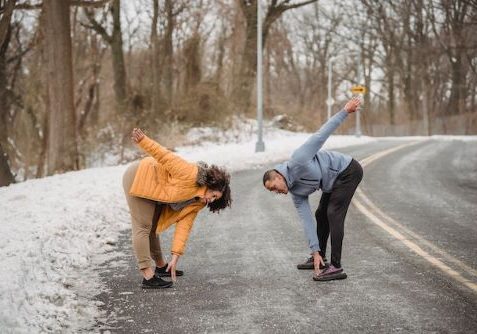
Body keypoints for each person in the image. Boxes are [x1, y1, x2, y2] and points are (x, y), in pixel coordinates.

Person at [263, 97, 363, 281]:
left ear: (278, 176)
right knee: (319, 214)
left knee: (333, 213)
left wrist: (345, 112)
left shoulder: (298, 159)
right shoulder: (296, 193)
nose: (275, 192)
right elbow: (307, 221)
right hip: (331, 182)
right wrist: (314, 250)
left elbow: (321, 134)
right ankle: (320, 257)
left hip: (347, 171)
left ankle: (336, 267)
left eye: (273, 187)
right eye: (272, 191)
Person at [123, 128, 232, 288]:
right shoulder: (191, 174)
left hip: (156, 191)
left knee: (153, 229)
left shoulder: (199, 202)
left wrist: (175, 257)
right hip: (139, 176)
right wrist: (143, 141)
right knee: (143, 226)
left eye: (215, 200)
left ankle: (161, 267)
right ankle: (147, 276)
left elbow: (184, 227)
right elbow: (165, 156)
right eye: (214, 195)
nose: (211, 200)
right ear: (211, 184)